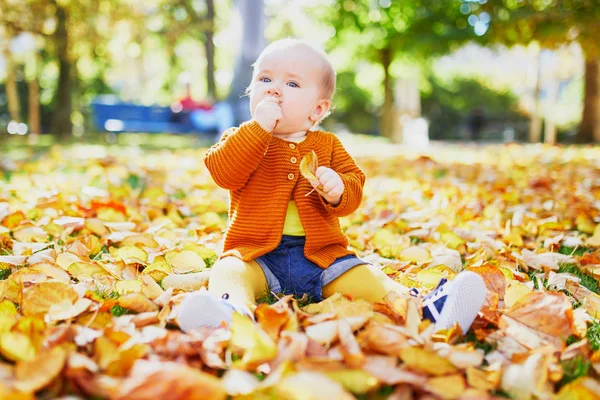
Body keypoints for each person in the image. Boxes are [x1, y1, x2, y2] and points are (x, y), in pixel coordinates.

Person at [178, 39, 486, 334]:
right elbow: (223, 173)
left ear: (317, 110)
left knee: (366, 276)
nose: (273, 88)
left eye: (292, 84)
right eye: (264, 79)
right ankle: (230, 313)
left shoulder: (328, 145)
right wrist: (258, 128)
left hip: (323, 258)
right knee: (229, 271)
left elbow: (354, 189)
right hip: (257, 256)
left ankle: (423, 308)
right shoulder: (242, 137)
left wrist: (338, 190)